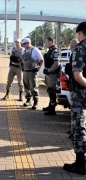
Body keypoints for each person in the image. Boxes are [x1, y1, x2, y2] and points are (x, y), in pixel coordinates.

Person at [63, 21, 86, 175]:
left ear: (79, 33)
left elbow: (77, 76)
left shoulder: (80, 48)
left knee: (78, 128)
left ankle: (80, 164)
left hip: (81, 95)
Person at [21, 38, 43, 109]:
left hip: (32, 72)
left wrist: (38, 68)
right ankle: (28, 100)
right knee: (26, 87)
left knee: (33, 87)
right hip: (25, 71)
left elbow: (41, 60)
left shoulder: (35, 50)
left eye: (24, 44)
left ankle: (35, 101)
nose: (23, 45)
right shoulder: (23, 50)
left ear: (28, 43)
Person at [43, 37, 61, 115]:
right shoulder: (50, 50)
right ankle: (50, 106)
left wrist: (49, 70)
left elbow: (56, 64)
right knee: (49, 90)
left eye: (47, 42)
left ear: (51, 42)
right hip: (48, 74)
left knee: (52, 91)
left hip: (52, 74)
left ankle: (52, 109)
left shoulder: (55, 51)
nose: (45, 43)